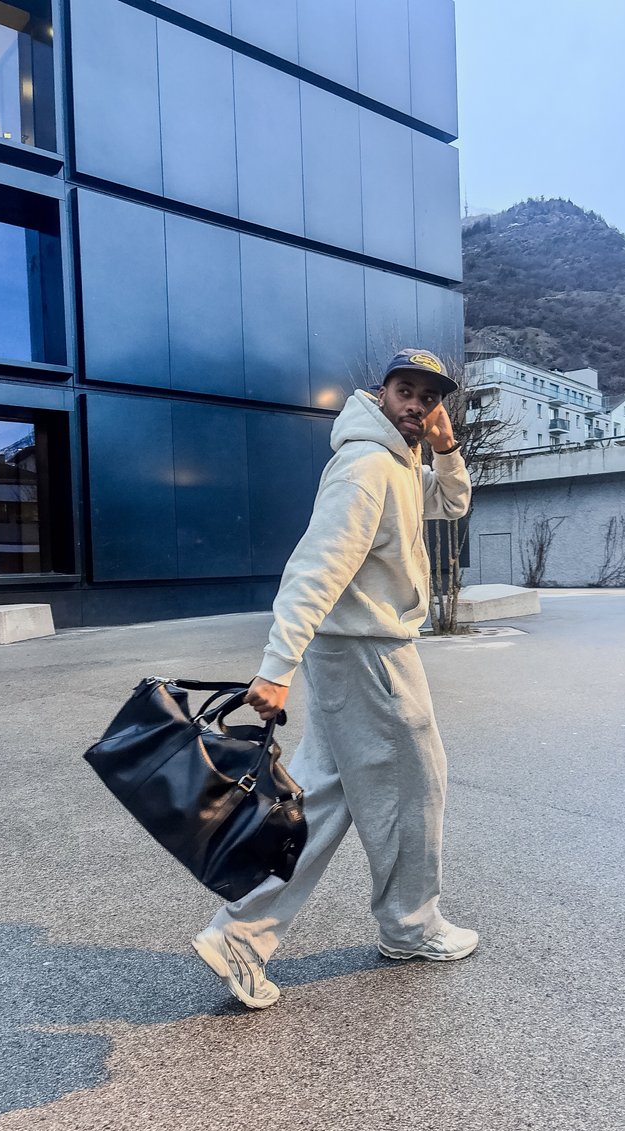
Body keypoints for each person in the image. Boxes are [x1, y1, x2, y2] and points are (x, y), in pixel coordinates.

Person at [192, 349, 476, 1008]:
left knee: (327, 795)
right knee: (417, 784)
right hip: (367, 654)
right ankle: (410, 925)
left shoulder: (403, 462)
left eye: (428, 398)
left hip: (358, 650)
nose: (416, 405)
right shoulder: (367, 466)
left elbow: (454, 503)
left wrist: (445, 447)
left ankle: (241, 933)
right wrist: (275, 668)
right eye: (406, 391)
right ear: (380, 393)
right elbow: (315, 569)